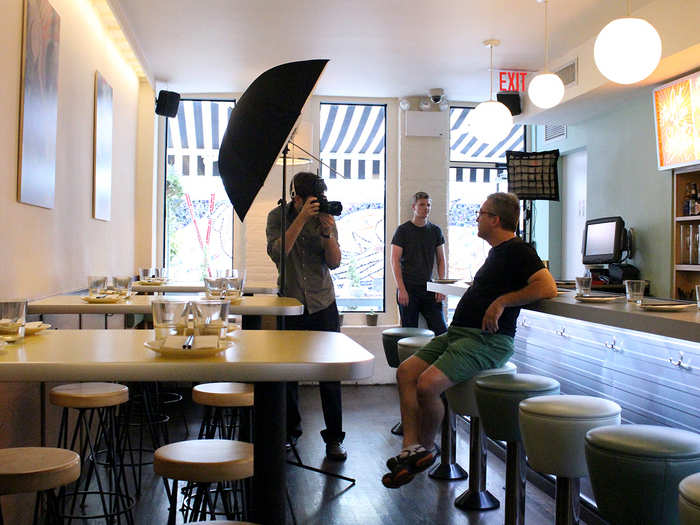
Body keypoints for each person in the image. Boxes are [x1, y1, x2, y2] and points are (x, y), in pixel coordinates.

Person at [382, 192, 557, 487]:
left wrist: (502, 302)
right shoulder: (497, 252)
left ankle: (425, 450)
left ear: (495, 219)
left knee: (427, 384)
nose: (476, 217)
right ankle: (409, 448)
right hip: (459, 334)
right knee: (406, 372)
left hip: (488, 341)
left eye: (481, 212)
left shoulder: (518, 249)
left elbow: (547, 286)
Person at [265, 171, 347, 461]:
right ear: (296, 198)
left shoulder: (325, 217)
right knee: (288, 374)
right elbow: (278, 253)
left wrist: (327, 233)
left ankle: (334, 438)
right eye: (311, 199)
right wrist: (300, 219)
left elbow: (335, 262)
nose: (317, 203)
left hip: (323, 303)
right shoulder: (277, 217)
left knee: (329, 374)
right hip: (290, 304)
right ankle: (290, 433)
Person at [390, 191, 447, 335]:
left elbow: (441, 260)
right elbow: (394, 260)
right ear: (414, 207)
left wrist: (441, 286)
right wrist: (401, 289)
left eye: (428, 205)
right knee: (409, 334)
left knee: (441, 331)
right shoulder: (403, 230)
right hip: (408, 288)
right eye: (422, 205)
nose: (426, 208)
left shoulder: (435, 231)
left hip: (430, 288)